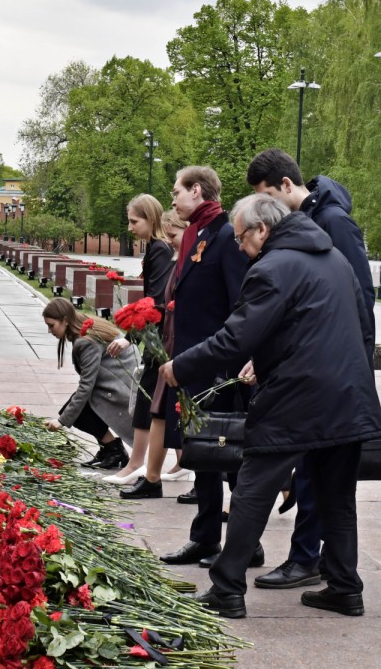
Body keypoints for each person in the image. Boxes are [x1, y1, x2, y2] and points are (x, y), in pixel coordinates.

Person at [159, 194, 381, 618]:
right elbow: (349, 321)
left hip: (299, 396)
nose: (240, 247)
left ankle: (226, 589)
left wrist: (180, 367)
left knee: (253, 488)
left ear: (263, 229)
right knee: (337, 497)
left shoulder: (272, 267)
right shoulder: (334, 258)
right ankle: (345, 587)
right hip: (347, 392)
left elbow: (234, 339)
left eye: (242, 237)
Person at [245, 148, 377, 590]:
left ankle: (305, 559)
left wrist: (347, 361)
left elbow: (359, 299)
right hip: (318, 366)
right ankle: (324, 570)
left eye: (269, 197)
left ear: (286, 186)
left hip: (332, 370)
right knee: (315, 474)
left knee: (317, 476)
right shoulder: (313, 219)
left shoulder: (334, 221)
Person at [158, 166, 250, 565]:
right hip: (191, 360)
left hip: (218, 363)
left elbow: (240, 302)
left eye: (177, 190)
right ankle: (206, 536)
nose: (173, 198)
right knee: (202, 453)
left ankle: (250, 542)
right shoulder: (195, 232)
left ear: (197, 191)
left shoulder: (228, 235)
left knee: (227, 453)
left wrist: (237, 357)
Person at [102, 194, 174, 485]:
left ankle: (136, 464)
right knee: (163, 399)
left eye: (135, 221)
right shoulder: (159, 248)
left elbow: (155, 301)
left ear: (151, 219)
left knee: (150, 398)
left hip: (159, 336)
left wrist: (130, 338)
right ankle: (178, 463)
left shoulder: (158, 249)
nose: (130, 227)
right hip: (161, 335)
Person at [42, 297, 135, 468]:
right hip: (123, 381)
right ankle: (109, 448)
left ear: (65, 321)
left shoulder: (85, 341)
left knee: (75, 413)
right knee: (72, 410)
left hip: (122, 388)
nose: (50, 330)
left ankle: (114, 450)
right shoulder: (85, 324)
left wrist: (61, 421)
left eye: (51, 325)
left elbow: (86, 385)